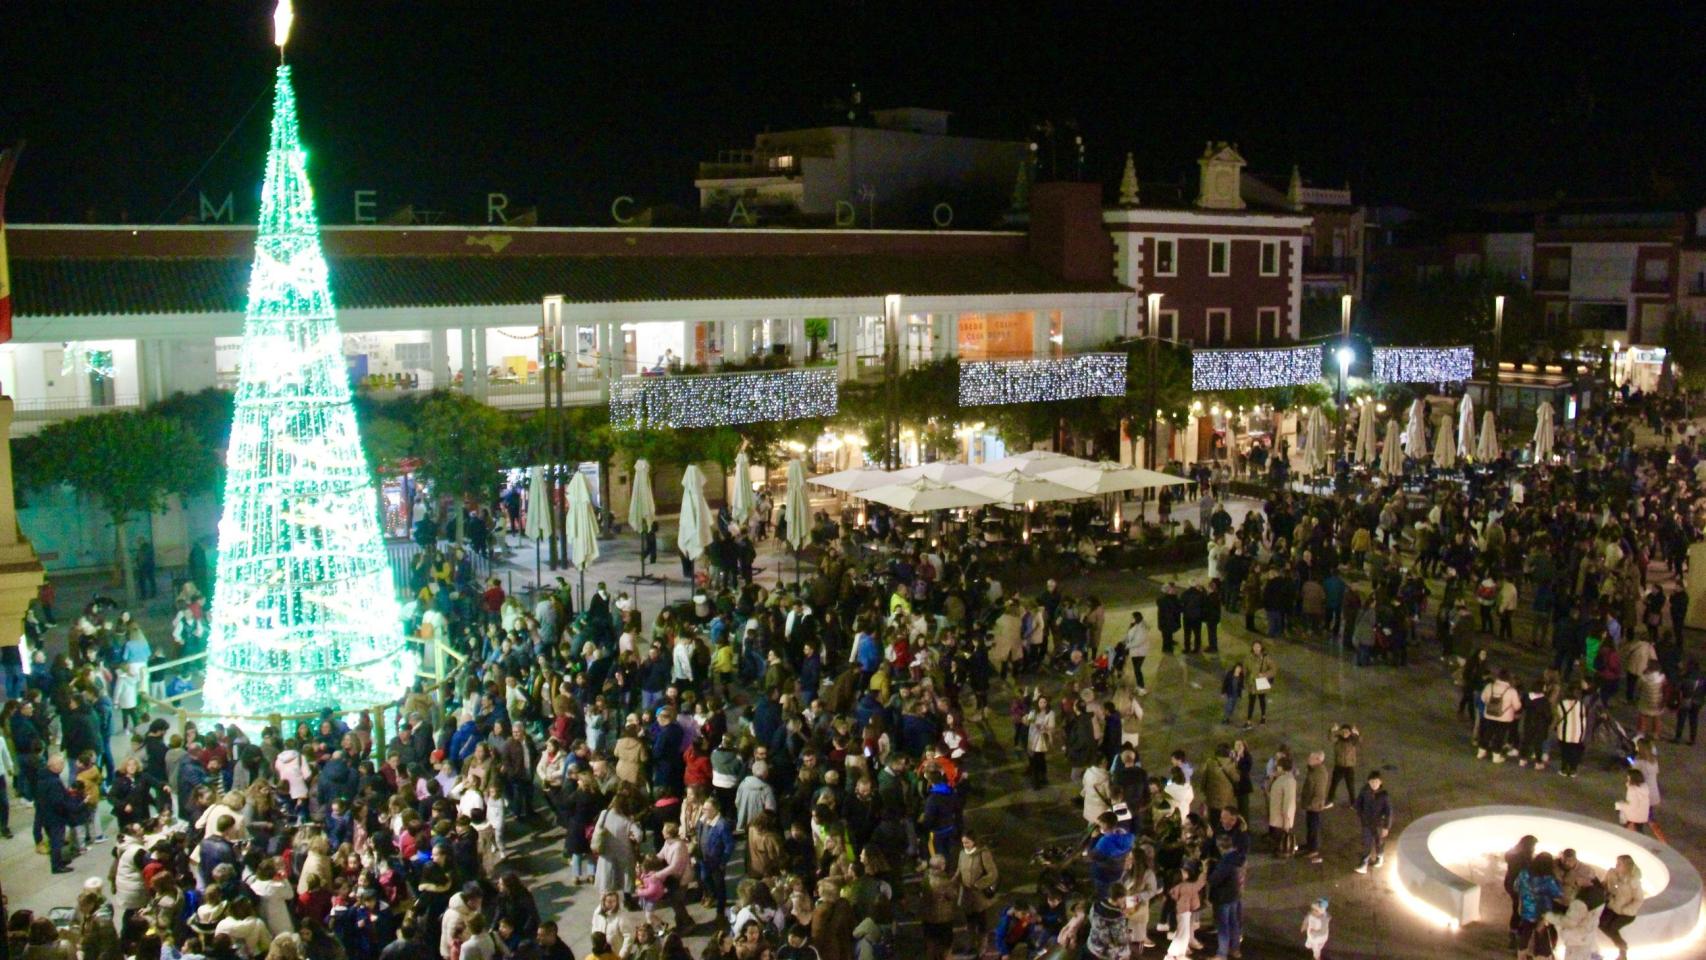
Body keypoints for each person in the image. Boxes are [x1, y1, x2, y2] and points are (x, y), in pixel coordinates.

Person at [1601, 854, 1644, 960]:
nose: (1617, 865)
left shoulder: (1633, 881)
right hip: (1612, 907)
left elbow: (1638, 899)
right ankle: (1622, 948)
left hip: (1625, 913)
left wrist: (1626, 910)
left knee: (1612, 928)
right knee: (1601, 924)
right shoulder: (1611, 873)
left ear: (1626, 866)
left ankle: (1622, 950)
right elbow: (1604, 884)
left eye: (1619, 864)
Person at [1351, 772, 1390, 874]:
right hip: (1367, 823)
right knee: (1366, 843)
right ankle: (1364, 864)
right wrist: (1361, 814)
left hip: (1379, 824)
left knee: (1379, 842)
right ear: (1368, 782)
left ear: (1380, 782)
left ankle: (1379, 856)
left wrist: (1386, 827)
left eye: (1376, 781)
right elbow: (1358, 803)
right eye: (1372, 781)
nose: (1374, 784)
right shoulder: (1365, 791)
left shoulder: (1384, 795)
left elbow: (1389, 812)